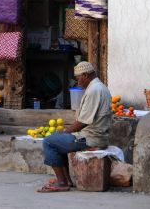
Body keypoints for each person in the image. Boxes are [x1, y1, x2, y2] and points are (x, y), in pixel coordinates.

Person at [38, 61, 112, 193]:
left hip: (91, 139)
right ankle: (67, 181)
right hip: (95, 135)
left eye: (78, 79)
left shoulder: (95, 90)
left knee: (49, 141)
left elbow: (82, 122)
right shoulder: (99, 87)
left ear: (85, 75)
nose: (78, 82)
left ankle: (62, 183)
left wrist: (65, 133)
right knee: (58, 140)